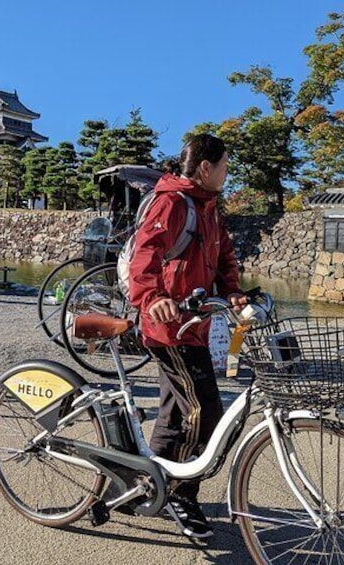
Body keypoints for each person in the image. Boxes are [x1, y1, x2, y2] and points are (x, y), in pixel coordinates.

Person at [128, 134, 246, 540]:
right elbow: (146, 255)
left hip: (195, 325)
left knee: (174, 413)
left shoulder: (210, 208)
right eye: (225, 166)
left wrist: (232, 290)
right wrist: (152, 297)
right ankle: (181, 494)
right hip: (169, 327)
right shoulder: (173, 202)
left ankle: (146, 483)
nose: (227, 174)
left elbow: (224, 256)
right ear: (206, 167)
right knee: (206, 412)